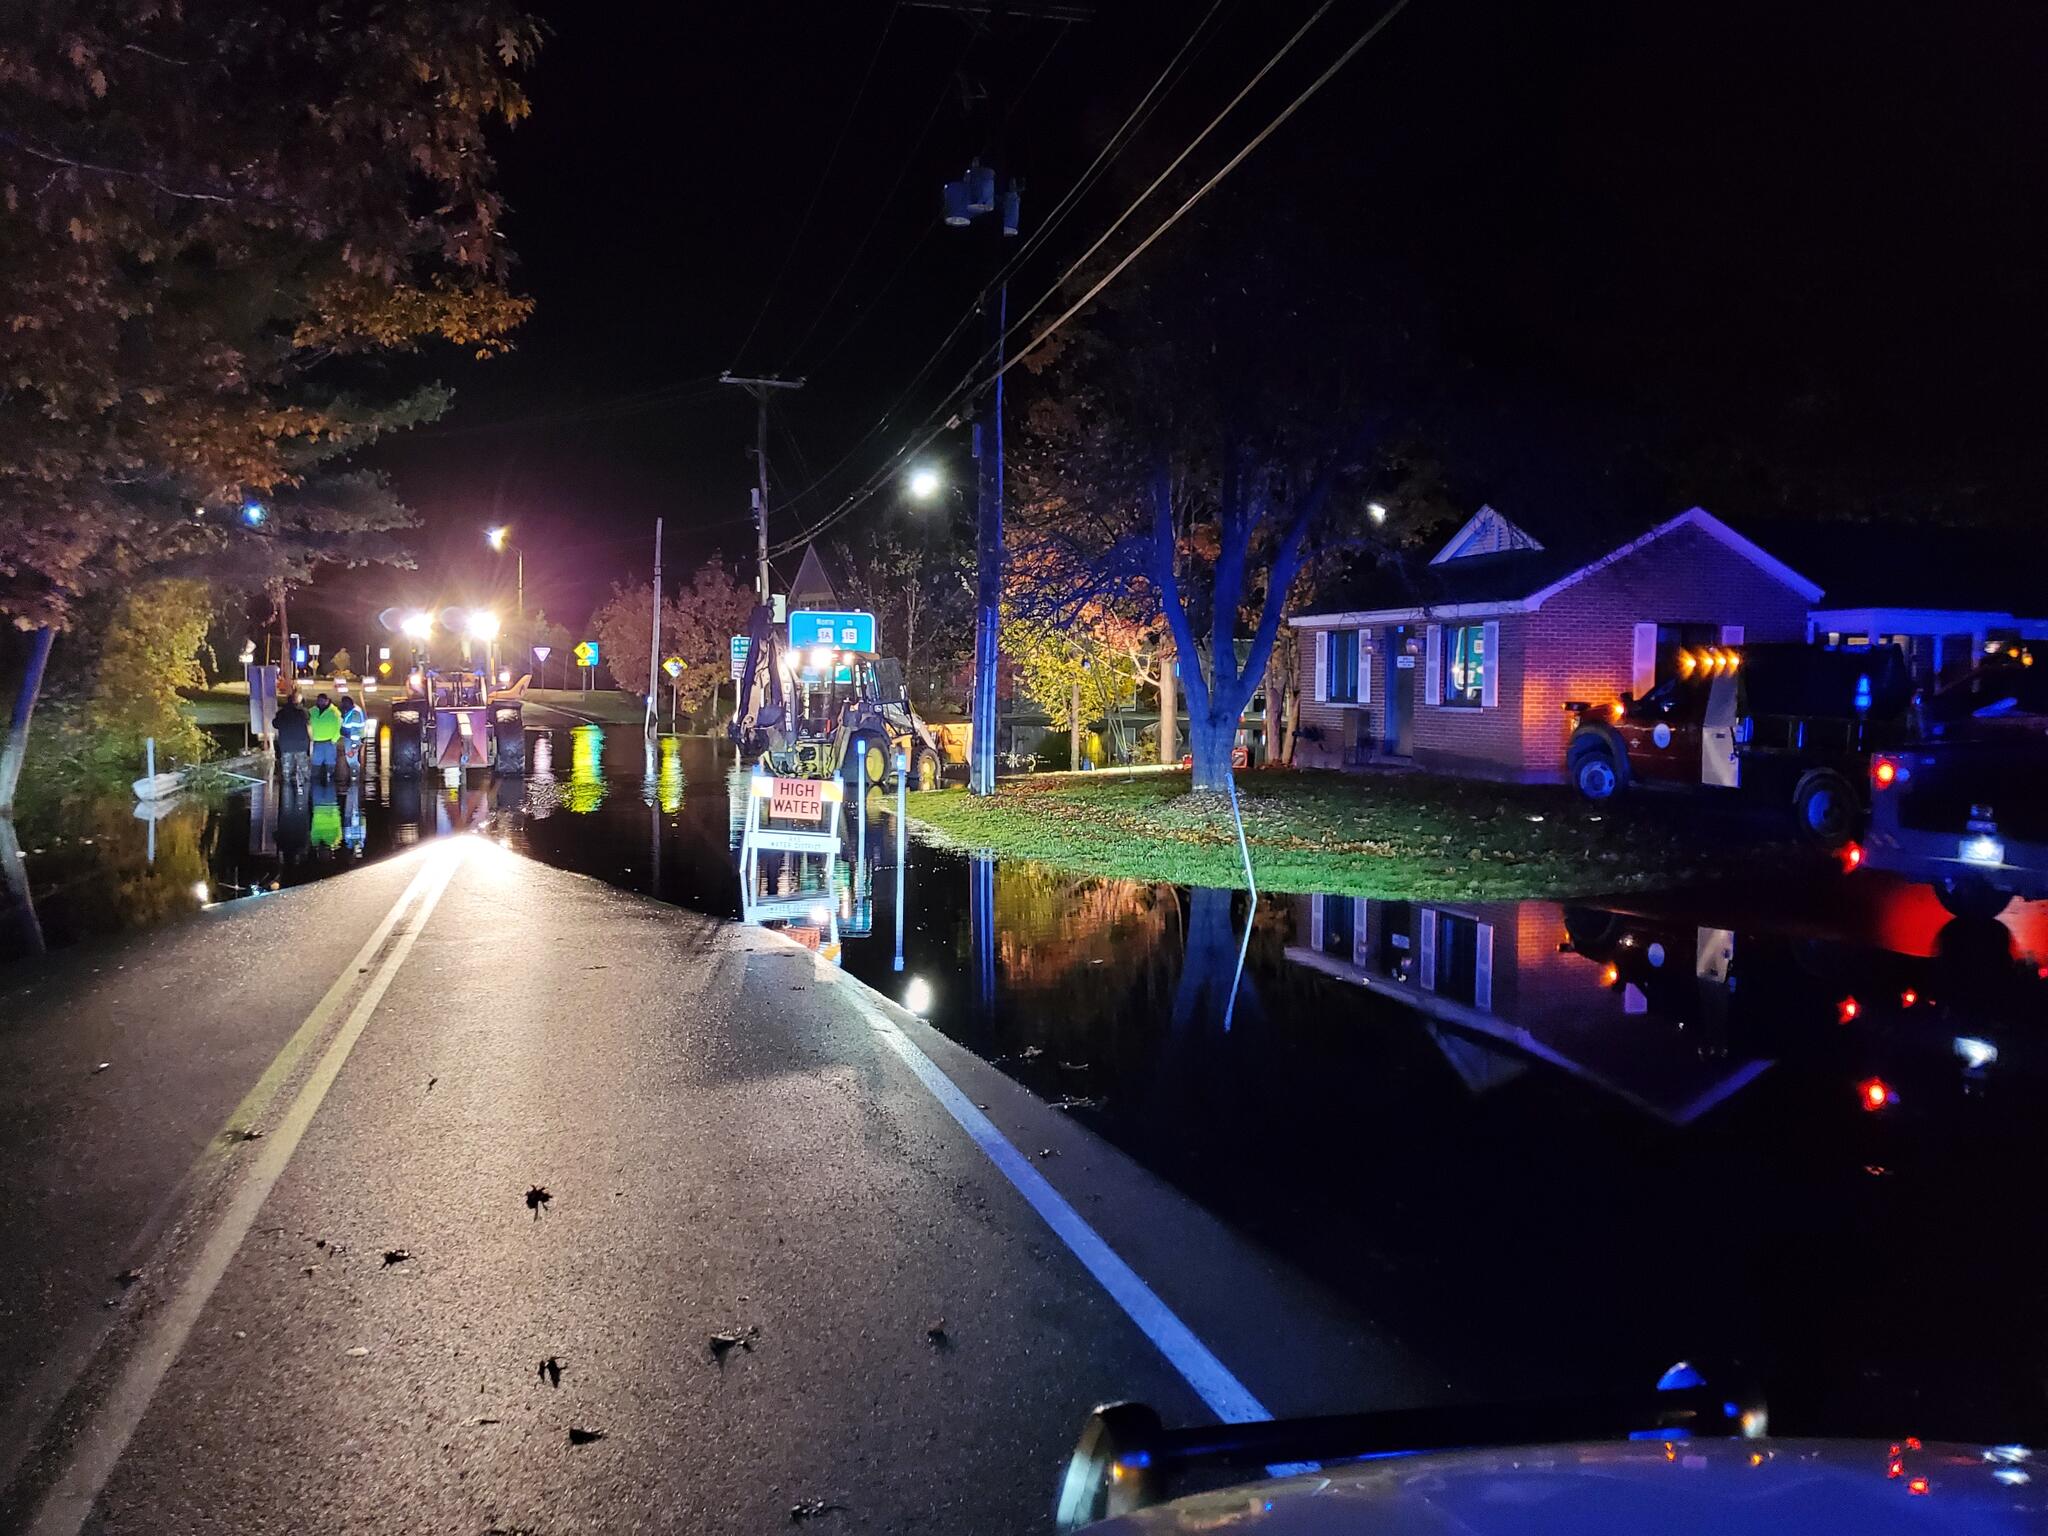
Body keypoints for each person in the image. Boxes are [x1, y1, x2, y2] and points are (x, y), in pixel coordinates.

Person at [273, 693, 312, 790]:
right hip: (301, 745)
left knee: (286, 772)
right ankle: (306, 790)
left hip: (286, 746)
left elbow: (275, 724)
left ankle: (287, 792)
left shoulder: (281, 713)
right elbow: (308, 721)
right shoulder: (303, 713)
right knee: (304, 770)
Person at [307, 692, 343, 782]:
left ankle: (330, 783)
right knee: (315, 766)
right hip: (316, 742)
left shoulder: (334, 712)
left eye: (322, 701)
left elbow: (340, 727)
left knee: (330, 766)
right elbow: (307, 724)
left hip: (329, 743)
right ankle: (315, 785)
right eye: (319, 701)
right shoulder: (312, 711)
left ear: (327, 701)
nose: (320, 703)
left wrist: (334, 739)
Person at [337, 692, 367, 778]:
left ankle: (355, 777)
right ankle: (354, 776)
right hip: (349, 737)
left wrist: (353, 748)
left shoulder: (355, 713)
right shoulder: (350, 710)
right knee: (351, 759)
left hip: (353, 739)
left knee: (352, 759)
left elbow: (355, 731)